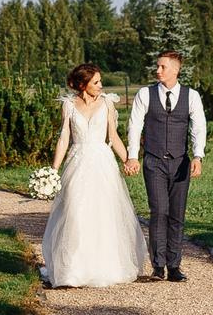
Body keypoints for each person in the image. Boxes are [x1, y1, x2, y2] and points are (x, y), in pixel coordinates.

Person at [38, 62, 153, 289]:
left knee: (104, 212)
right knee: (75, 212)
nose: (101, 86)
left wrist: (129, 159)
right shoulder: (69, 105)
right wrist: (52, 170)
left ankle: (106, 267)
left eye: (100, 81)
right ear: (83, 84)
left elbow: (114, 136)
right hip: (77, 163)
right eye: (96, 82)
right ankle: (73, 270)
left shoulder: (107, 103)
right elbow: (63, 138)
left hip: (102, 162)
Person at [123, 49, 206, 282]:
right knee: (159, 211)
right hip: (154, 161)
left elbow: (198, 127)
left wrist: (198, 156)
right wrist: (132, 156)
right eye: (157, 66)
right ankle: (158, 266)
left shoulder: (191, 96)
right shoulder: (144, 94)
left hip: (180, 162)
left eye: (162, 67)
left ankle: (175, 266)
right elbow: (135, 126)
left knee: (177, 214)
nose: (157, 70)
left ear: (175, 70)